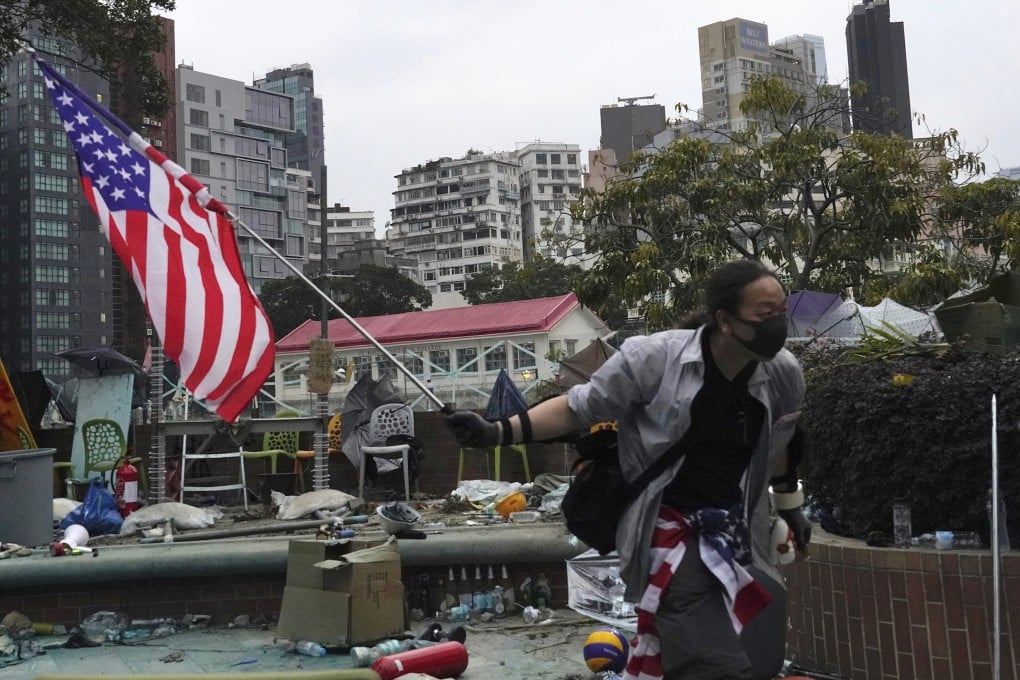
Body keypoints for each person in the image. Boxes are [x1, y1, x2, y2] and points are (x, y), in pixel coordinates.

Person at [446, 259, 810, 680]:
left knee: (695, 648)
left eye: (782, 312)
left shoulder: (782, 374)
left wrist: (791, 508)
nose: (777, 325)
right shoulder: (655, 359)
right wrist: (495, 432)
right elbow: (575, 408)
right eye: (765, 315)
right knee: (714, 662)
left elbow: (782, 444)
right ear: (725, 320)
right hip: (666, 531)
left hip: (732, 531)